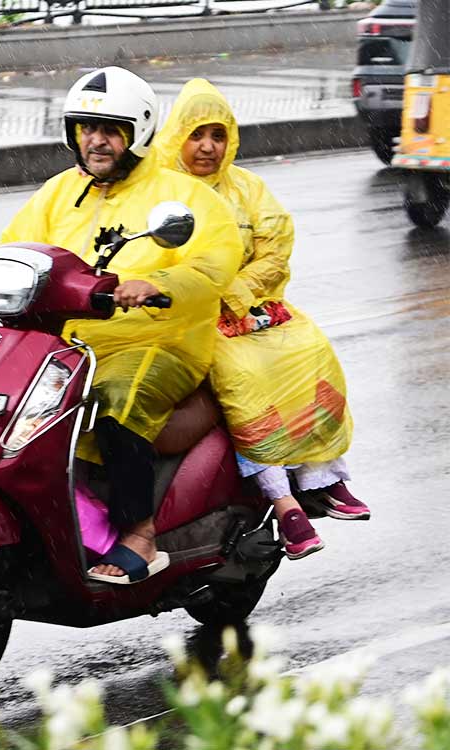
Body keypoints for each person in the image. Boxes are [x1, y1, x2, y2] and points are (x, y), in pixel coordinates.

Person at [0, 67, 243, 584]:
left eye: (110, 130)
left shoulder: (184, 197)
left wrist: (157, 283)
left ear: (138, 134)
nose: (96, 141)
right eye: (87, 128)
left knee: (114, 400)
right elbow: (19, 247)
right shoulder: (59, 192)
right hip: (69, 344)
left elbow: (215, 262)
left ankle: (140, 534)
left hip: (158, 340)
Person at [152, 79, 369, 560]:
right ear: (176, 136)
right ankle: (283, 499)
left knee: (312, 353)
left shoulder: (248, 188)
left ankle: (323, 477)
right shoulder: (158, 190)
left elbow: (276, 250)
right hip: (186, 321)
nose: (208, 146)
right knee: (245, 378)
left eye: (218, 135)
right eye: (196, 134)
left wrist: (240, 292)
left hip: (247, 309)